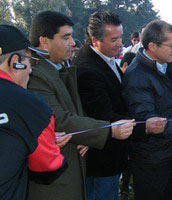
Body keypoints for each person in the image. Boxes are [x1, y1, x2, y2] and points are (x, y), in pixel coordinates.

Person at [26, 11, 135, 200]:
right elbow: (60, 119)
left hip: (75, 164)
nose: (72, 43)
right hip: (56, 174)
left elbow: (78, 109)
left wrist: (86, 136)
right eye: (66, 37)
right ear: (44, 41)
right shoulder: (36, 75)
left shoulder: (60, 68)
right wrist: (108, 130)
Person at [74, 10, 162, 200]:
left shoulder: (106, 59)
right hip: (101, 159)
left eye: (121, 37)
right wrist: (143, 127)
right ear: (95, 40)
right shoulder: (87, 69)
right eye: (114, 39)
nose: (120, 43)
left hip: (113, 155)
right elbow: (103, 115)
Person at [121, 19, 172, 200]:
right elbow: (146, 119)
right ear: (152, 46)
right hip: (152, 159)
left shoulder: (167, 62)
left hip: (171, 152)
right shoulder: (137, 76)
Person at [0, 24, 70, 200]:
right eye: (29, 61)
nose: (30, 69)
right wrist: (44, 143)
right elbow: (48, 168)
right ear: (15, 62)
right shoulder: (31, 106)